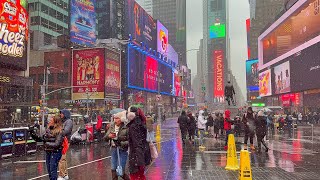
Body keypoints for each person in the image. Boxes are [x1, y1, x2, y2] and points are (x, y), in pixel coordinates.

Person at [104, 111, 129, 180]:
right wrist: (109, 136)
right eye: (114, 118)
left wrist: (120, 143)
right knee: (113, 169)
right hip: (113, 149)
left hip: (122, 150)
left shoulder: (126, 127)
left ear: (122, 119)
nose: (115, 120)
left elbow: (130, 141)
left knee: (120, 172)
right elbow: (105, 138)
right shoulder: (111, 126)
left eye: (117, 118)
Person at [127, 107, 151, 180]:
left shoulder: (133, 126)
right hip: (142, 153)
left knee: (134, 176)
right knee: (141, 175)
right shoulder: (141, 123)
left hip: (136, 155)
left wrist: (139, 160)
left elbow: (137, 143)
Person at [58, 109, 73, 180]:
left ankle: (62, 175)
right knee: (63, 159)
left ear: (65, 114)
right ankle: (65, 174)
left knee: (61, 158)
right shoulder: (64, 121)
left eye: (62, 113)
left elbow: (66, 131)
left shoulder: (69, 121)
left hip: (65, 141)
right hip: (63, 141)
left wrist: (58, 131)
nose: (61, 115)